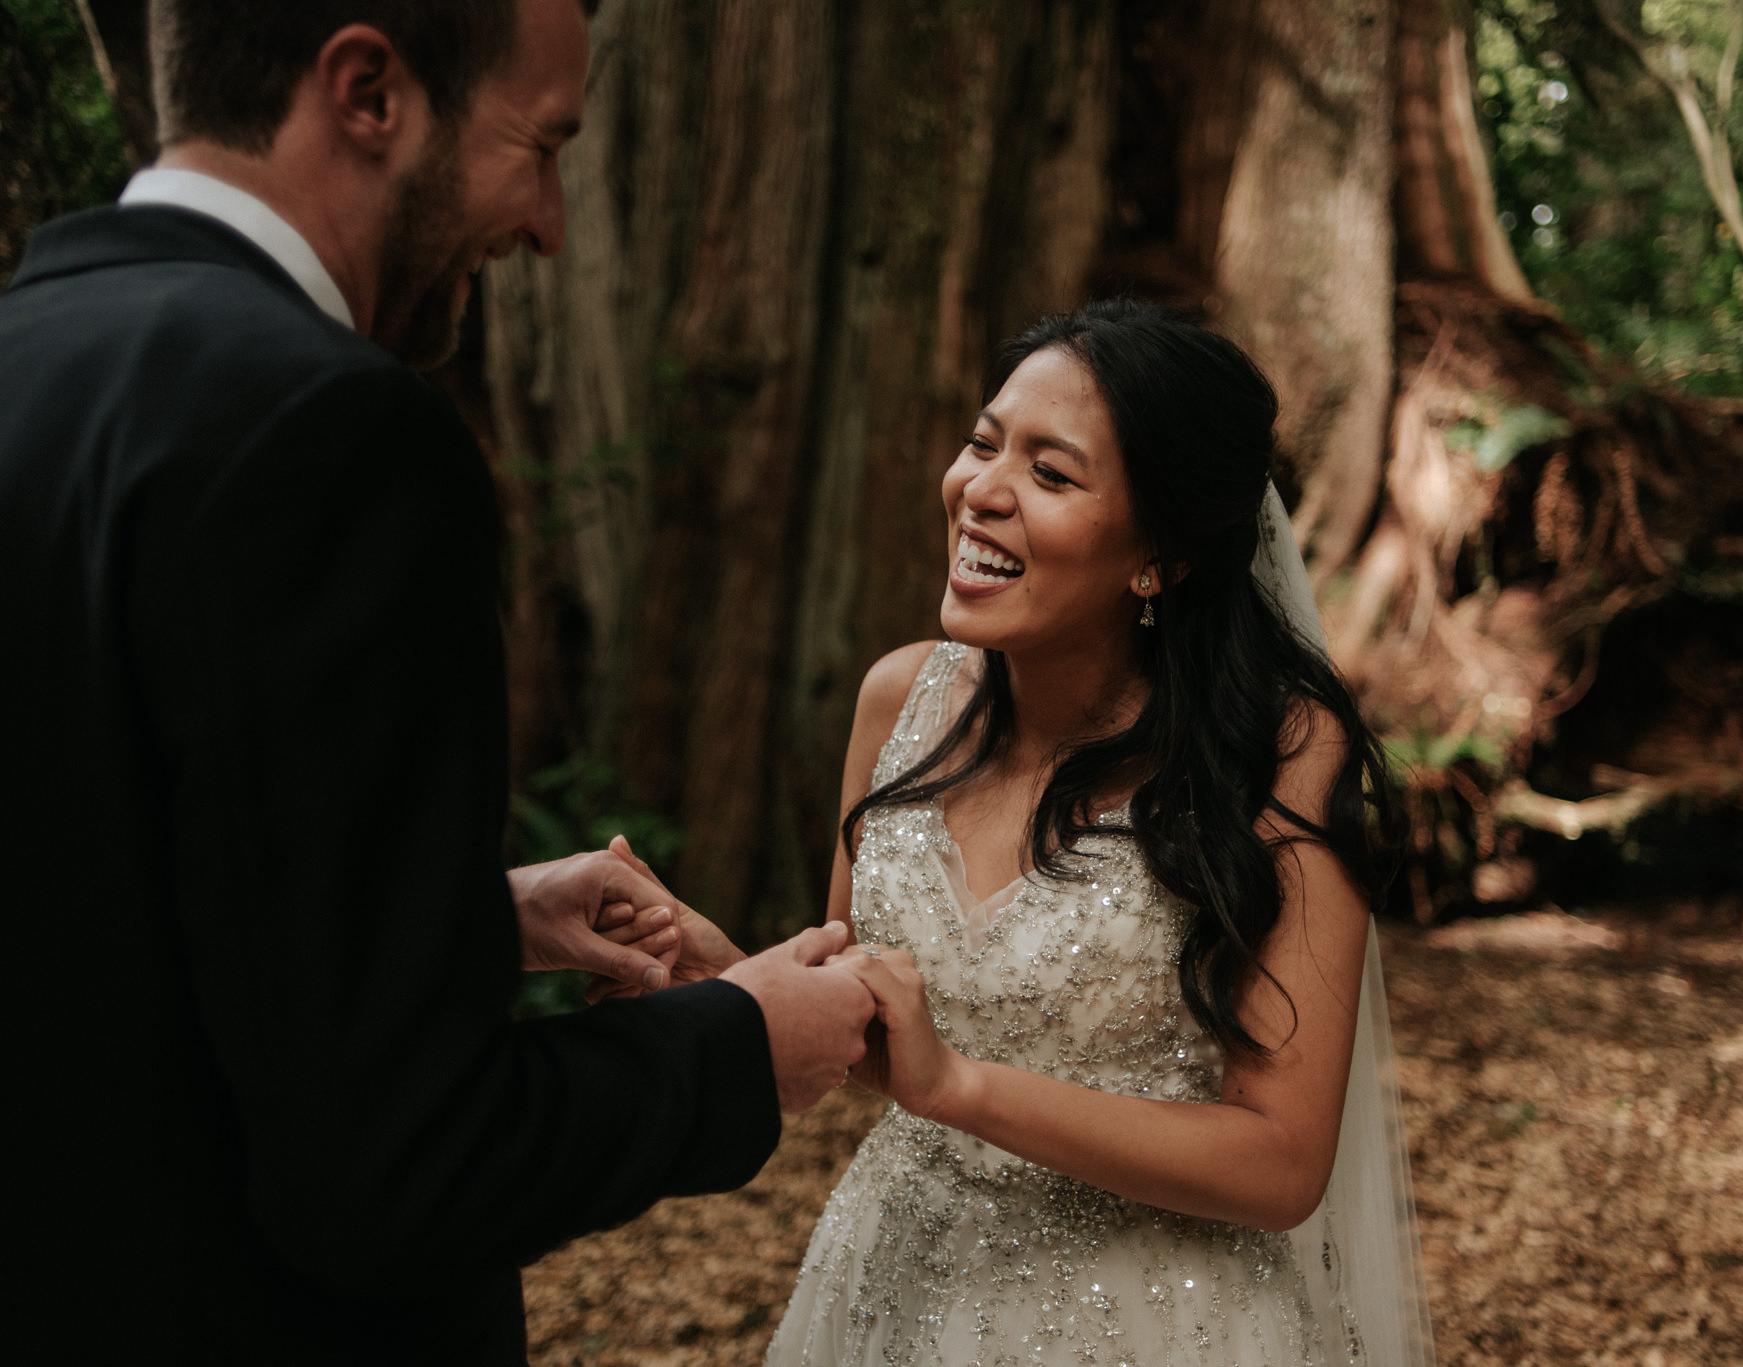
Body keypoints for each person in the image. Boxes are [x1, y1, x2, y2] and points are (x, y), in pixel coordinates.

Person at [0, 1, 871, 1361]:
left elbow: (97, 903)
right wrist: (737, 1046)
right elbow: (396, 1171)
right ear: (368, 93)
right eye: (540, 146)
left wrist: (464, 917)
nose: (551, 224)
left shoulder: (32, 356)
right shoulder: (331, 433)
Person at [764, 300, 1437, 1366]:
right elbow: (870, 1025)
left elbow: (1280, 1160)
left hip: (1147, 1320)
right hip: (889, 1287)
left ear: (1158, 557)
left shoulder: (1276, 754)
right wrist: (717, 979)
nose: (979, 489)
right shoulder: (899, 699)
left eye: (1050, 472)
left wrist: (961, 1090)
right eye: (984, 443)